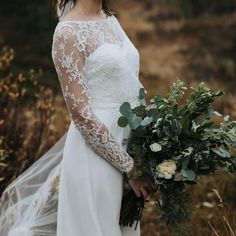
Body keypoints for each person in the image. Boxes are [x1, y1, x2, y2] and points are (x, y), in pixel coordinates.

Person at [0, 0, 157, 235]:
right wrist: (129, 167)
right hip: (96, 155)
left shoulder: (110, 20)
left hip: (131, 142)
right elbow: (81, 115)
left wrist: (153, 134)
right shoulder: (67, 33)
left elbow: (130, 83)